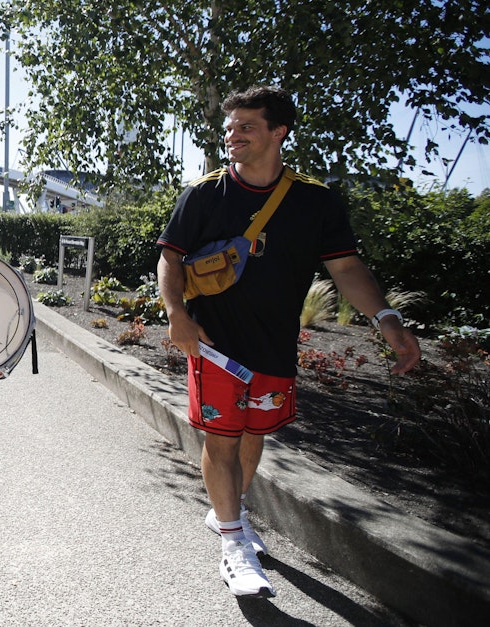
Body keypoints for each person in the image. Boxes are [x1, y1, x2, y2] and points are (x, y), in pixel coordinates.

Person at [156, 85, 421, 599]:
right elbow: (171, 257)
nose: (233, 135)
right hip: (214, 344)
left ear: (279, 132)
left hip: (274, 346)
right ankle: (234, 544)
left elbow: (345, 267)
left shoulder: (315, 202)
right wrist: (176, 314)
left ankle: (226, 513)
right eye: (229, 127)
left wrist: (387, 318)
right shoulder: (205, 194)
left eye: (246, 126)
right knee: (223, 439)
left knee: (254, 436)